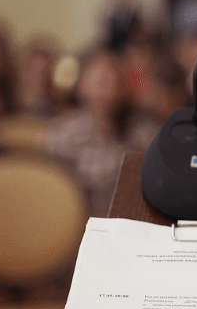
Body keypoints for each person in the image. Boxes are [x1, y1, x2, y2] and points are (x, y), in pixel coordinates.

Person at [44, 46, 159, 216]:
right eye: (102, 81)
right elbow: (51, 197)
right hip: (77, 227)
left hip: (130, 225)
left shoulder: (145, 133)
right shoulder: (60, 136)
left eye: (116, 80)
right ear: (82, 83)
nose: (109, 88)